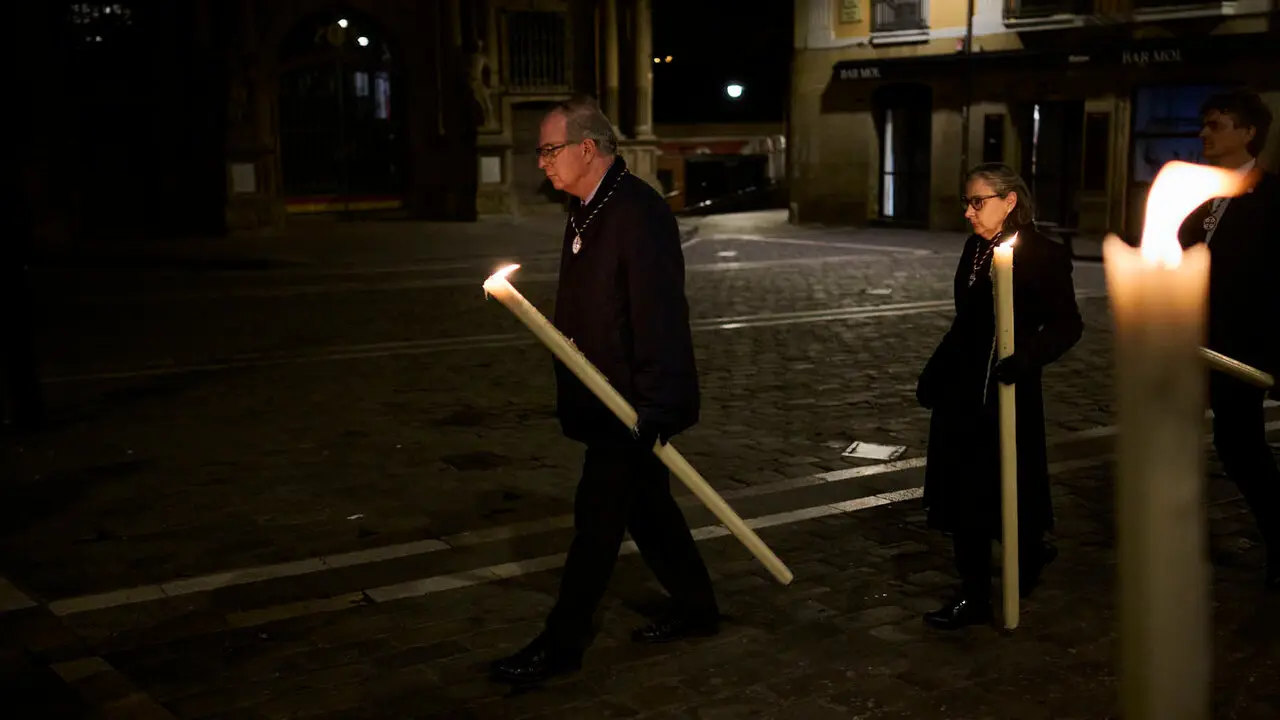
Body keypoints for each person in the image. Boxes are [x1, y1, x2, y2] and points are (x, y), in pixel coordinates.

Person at [489, 97, 719, 684]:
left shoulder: (636, 211)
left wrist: (659, 405)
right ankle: (698, 609)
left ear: (586, 148)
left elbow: (659, 312)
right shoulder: (588, 207)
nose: (541, 162)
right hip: (602, 396)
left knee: (596, 523)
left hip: (630, 404)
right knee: (650, 511)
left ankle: (562, 643)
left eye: (549, 149)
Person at [916, 163, 1083, 629]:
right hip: (963, 388)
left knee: (1005, 483)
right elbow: (967, 320)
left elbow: (1069, 323)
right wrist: (937, 371)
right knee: (961, 492)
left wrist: (1028, 357)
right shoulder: (974, 248)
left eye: (978, 202)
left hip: (1007, 386)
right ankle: (974, 593)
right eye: (966, 202)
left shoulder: (1042, 254)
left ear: (1009, 201)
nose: (968, 212)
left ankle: (1028, 551)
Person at [1178, 89, 1280, 589]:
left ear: (1248, 133)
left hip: (1240, 349)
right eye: (1205, 124)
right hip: (1188, 346)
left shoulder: (1272, 198)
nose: (1205, 134)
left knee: (1241, 447)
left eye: (1216, 124)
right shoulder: (1197, 195)